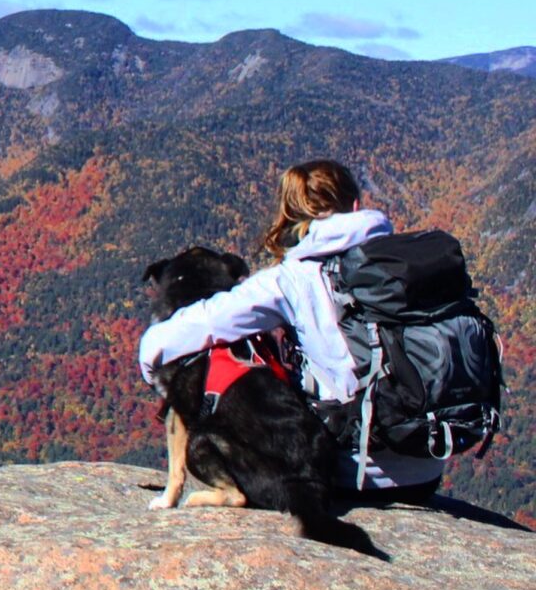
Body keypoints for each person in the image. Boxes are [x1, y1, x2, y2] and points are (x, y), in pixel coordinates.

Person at [137, 158, 443, 499]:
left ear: (290, 218)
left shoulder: (290, 280)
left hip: (351, 475)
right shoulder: (405, 261)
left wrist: (153, 365)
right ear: (356, 206)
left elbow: (193, 328)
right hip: (428, 468)